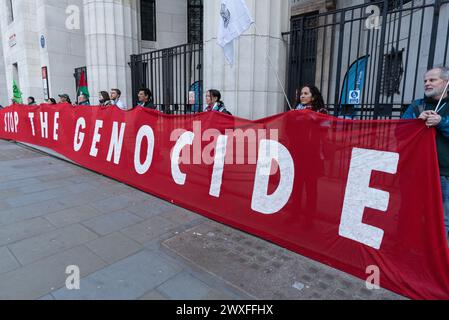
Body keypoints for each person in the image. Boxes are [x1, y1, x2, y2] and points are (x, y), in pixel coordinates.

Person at [402, 66, 449, 242]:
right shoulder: (417, 105)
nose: (427, 83)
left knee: (442, 219)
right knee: (409, 212)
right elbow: (399, 132)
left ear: (446, 83)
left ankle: (436, 261)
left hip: (443, 173)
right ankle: (405, 247)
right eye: (425, 81)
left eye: (432, 80)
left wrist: (441, 122)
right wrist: (416, 122)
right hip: (416, 171)